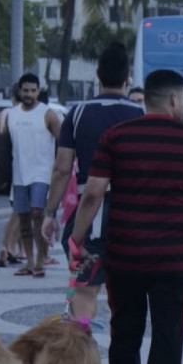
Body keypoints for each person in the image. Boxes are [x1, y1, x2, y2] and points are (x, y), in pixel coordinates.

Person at [65, 69, 183, 364]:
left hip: (125, 253)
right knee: (168, 335)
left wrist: (76, 239)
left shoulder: (115, 136)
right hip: (174, 257)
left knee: (125, 331)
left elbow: (93, 194)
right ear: (175, 100)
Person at [40, 43, 143, 319]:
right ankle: (124, 343)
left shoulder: (77, 114)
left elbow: (62, 169)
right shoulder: (139, 115)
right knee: (127, 290)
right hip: (131, 213)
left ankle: (81, 337)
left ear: (98, 74)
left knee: (84, 287)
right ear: (128, 76)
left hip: (89, 211)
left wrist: (50, 213)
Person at [6, 73, 60, 278]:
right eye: (25, 90)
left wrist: (61, 171)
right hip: (19, 174)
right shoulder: (11, 114)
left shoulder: (48, 114)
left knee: (38, 214)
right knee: (23, 218)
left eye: (33, 90)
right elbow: (6, 145)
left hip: (42, 173)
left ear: (39, 91)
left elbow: (63, 143)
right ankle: (29, 262)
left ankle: (40, 261)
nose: (29, 94)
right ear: (19, 91)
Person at [0, 81, 24, 268]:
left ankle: (17, 248)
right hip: (23, 168)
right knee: (21, 210)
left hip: (11, 167)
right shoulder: (21, 115)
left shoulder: (3, 115)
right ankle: (8, 247)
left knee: (21, 210)